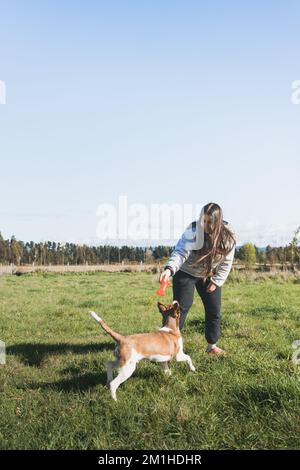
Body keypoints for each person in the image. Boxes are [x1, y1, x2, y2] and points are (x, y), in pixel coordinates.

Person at [159, 202, 236, 356]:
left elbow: (227, 261)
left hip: (209, 275)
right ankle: (166, 347)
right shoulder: (193, 230)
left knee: (214, 309)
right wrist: (169, 269)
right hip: (186, 272)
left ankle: (211, 346)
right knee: (180, 309)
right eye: (203, 220)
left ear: (218, 221)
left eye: (210, 222)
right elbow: (180, 252)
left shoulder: (228, 235)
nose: (205, 225)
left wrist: (216, 281)